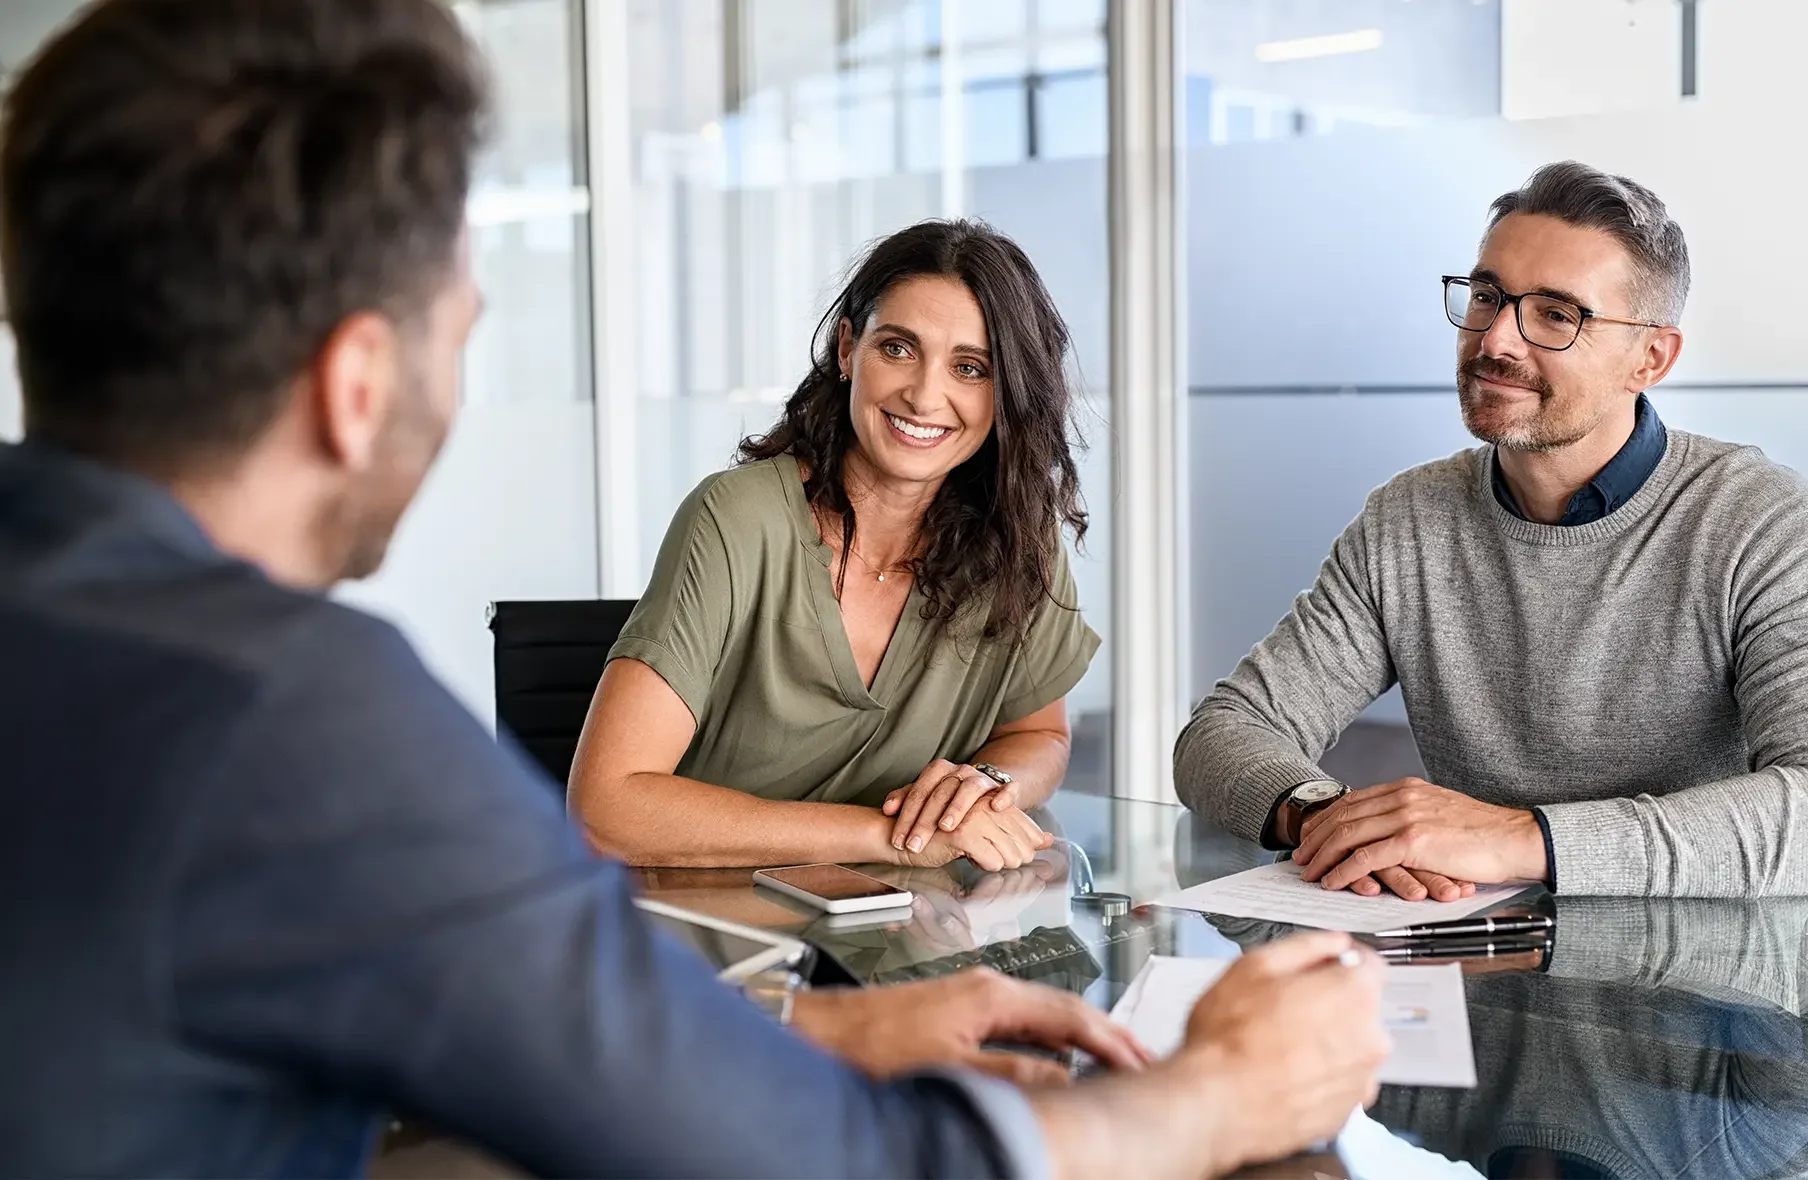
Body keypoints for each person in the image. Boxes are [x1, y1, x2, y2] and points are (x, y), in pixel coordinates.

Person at [0, 1, 1392, 1176]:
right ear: (357, 385)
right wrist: (1211, 1094)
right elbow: (847, 1161)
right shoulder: (295, 727)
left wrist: (811, 1024)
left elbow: (479, 1030)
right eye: (461, 328)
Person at [1175, 160, 1808, 900]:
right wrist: (1329, 818)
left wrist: (1520, 839)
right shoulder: (1408, 520)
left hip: (1709, 963)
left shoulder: (1758, 520)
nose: (1496, 339)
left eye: (1557, 315)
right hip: (1473, 948)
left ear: (1650, 358)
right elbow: (1223, 732)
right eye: (1487, 296)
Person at [570, 220, 1099, 871]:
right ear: (848, 350)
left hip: (908, 924)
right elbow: (606, 810)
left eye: (970, 368)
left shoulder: (1018, 539)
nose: (924, 395)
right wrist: (887, 837)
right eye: (898, 349)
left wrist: (985, 785)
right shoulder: (737, 519)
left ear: (1007, 391)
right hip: (705, 919)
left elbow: (1039, 733)